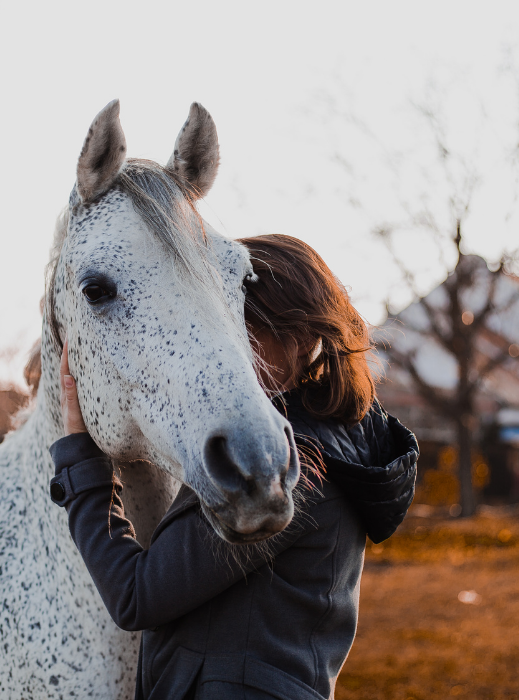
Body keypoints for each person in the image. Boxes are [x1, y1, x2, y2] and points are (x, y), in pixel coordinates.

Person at [50, 234, 418, 700]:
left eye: (236, 324)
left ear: (300, 339)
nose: (220, 348)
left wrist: (79, 457)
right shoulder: (320, 438)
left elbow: (136, 596)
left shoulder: (286, 467)